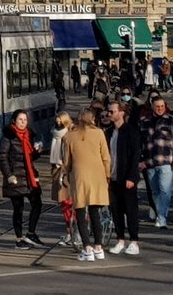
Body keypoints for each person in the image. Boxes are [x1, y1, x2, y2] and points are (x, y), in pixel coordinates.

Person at [62, 108, 112, 262]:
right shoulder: (99, 133)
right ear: (92, 119)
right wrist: (107, 175)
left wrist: (67, 174)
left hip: (79, 178)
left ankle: (87, 248)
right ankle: (99, 247)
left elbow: (66, 161)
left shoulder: (69, 136)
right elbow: (106, 157)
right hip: (97, 177)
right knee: (95, 213)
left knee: (81, 215)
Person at [0, 109, 46, 249]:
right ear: (14, 120)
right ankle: (19, 239)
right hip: (15, 178)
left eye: (25, 120)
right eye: (20, 120)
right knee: (18, 208)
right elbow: (2, 157)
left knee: (37, 204)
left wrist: (37, 152)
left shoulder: (29, 135)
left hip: (29, 177)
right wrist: (9, 175)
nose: (23, 123)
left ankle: (31, 233)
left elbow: (30, 157)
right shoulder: (8, 136)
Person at [105, 100, 143, 255]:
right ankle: (120, 239)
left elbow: (135, 156)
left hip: (126, 177)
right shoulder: (108, 132)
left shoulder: (131, 131)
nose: (109, 114)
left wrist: (132, 177)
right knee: (116, 210)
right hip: (112, 178)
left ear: (121, 113)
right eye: (108, 111)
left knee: (130, 209)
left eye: (112, 111)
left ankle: (134, 241)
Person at [140, 94, 173, 228]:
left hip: (166, 161)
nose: (160, 109)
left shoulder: (171, 120)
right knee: (154, 191)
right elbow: (139, 142)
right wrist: (140, 160)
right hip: (149, 162)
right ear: (152, 107)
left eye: (162, 106)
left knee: (165, 190)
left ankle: (162, 216)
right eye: (157, 106)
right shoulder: (144, 121)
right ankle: (160, 214)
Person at [49, 112, 77, 247]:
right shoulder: (55, 133)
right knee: (64, 203)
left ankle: (75, 232)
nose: (57, 121)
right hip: (56, 170)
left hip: (66, 171)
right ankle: (69, 232)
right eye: (56, 119)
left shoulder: (70, 135)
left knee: (70, 202)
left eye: (60, 119)